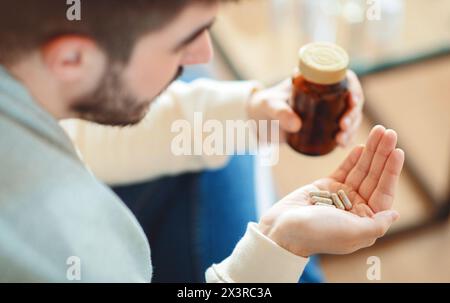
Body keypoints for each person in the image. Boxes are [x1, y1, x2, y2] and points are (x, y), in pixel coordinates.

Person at [0, 0, 404, 282]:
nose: (203, 51)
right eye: (186, 39)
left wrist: (250, 115)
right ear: (71, 59)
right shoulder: (63, 248)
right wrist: (282, 246)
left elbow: (79, 137)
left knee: (199, 90)